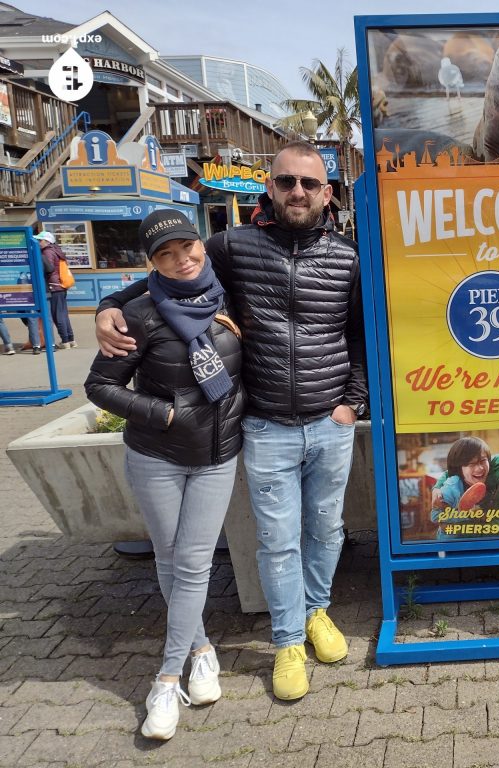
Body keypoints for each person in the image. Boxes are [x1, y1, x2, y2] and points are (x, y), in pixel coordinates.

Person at [95, 141, 368, 702]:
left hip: (329, 420)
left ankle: (318, 612)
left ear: (327, 193)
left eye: (309, 184)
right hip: (265, 424)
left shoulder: (349, 257)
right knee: (277, 539)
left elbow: (360, 335)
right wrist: (108, 305)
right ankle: (289, 639)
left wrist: (352, 402)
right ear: (270, 187)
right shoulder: (233, 246)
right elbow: (171, 273)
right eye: (286, 181)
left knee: (326, 530)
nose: (297, 192)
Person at [84, 210, 246, 739]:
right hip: (156, 453)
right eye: (165, 255)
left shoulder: (226, 291)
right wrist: (166, 413)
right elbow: (100, 386)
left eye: (188, 247)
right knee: (170, 556)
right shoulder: (140, 313)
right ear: (151, 262)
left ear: (201, 243)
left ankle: (166, 676)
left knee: (193, 562)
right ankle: (195, 654)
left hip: (217, 453)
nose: (182, 260)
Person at [430, 436, 491, 539]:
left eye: (483, 461)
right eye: (472, 464)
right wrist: (465, 514)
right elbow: (435, 516)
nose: (480, 468)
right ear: (459, 468)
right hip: (452, 546)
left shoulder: (491, 476)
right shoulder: (451, 488)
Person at [34, 231, 76, 349]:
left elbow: (49, 268)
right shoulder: (56, 250)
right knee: (63, 313)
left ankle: (65, 341)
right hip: (60, 285)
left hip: (54, 285)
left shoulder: (47, 252)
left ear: (47, 241)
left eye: (40, 240)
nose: (38, 242)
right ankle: (71, 339)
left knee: (57, 315)